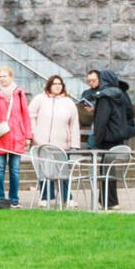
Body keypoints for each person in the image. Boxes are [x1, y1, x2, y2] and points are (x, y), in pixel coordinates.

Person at [82, 69, 135, 209]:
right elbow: (130, 114)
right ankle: (107, 200)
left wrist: (96, 141)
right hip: (119, 137)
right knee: (109, 170)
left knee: (105, 171)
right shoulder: (122, 95)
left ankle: (110, 201)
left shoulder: (104, 97)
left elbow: (101, 121)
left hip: (107, 138)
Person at [30, 74, 81, 206]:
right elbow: (31, 117)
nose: (57, 86)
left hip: (62, 144)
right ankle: (45, 197)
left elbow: (74, 124)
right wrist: (34, 134)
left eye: (60, 84)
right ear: (49, 85)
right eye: (54, 84)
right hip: (42, 143)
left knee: (63, 172)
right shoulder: (39, 99)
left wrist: (75, 144)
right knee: (44, 171)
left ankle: (67, 198)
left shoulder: (69, 103)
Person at [0, 66, 32, 207]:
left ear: (11, 77)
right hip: (0, 137)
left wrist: (28, 136)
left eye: (4, 76)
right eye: (0, 76)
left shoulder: (19, 94)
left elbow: (25, 116)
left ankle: (14, 199)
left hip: (16, 136)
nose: (2, 79)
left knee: (15, 170)